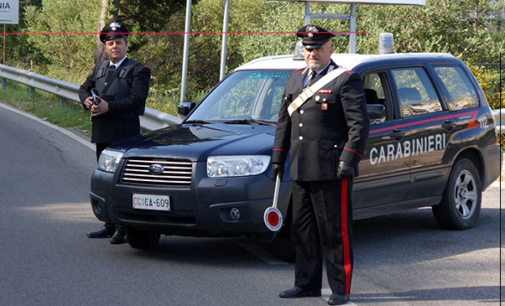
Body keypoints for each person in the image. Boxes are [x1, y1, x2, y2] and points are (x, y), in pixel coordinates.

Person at [272, 25, 369, 305]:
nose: (312, 52)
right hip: (301, 167)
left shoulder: (345, 80)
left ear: (330, 49)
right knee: (302, 231)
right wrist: (279, 157)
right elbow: (284, 123)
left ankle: (341, 289)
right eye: (307, 48)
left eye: (317, 47)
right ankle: (306, 284)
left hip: (330, 169)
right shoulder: (294, 80)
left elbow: (359, 125)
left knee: (334, 233)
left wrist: (349, 159)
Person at [79, 22, 151, 244]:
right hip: (102, 133)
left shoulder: (139, 69)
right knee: (105, 180)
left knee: (123, 181)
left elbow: (137, 100)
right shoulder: (99, 68)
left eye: (118, 42)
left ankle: (124, 227)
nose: (114, 46)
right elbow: (83, 89)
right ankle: (109, 224)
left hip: (125, 134)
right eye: (110, 43)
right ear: (105, 47)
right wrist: (86, 100)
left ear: (126, 45)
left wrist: (109, 107)